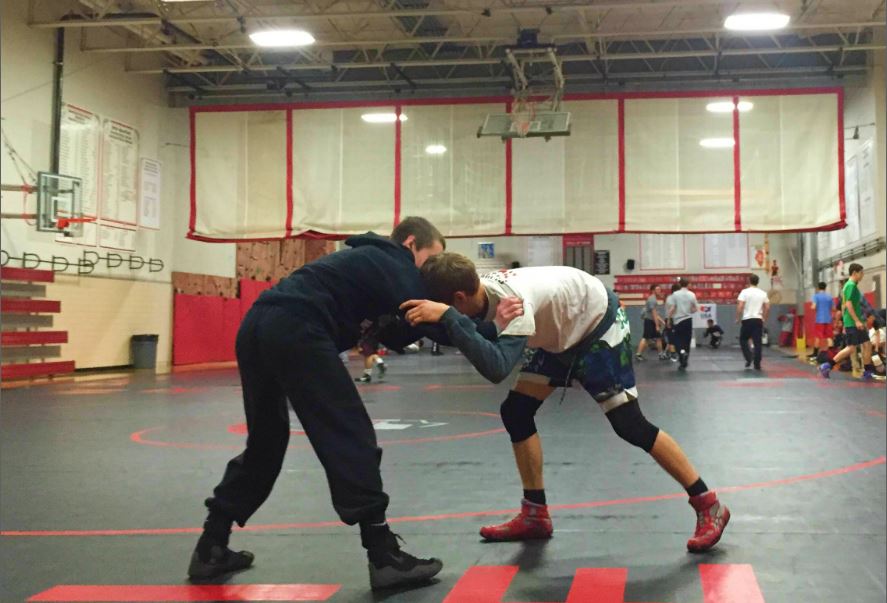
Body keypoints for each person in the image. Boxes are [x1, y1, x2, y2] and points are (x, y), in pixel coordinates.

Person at [188, 217, 503, 590]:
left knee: (265, 443)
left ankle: (211, 544)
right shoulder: (391, 261)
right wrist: (487, 327)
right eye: (431, 259)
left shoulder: (368, 267)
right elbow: (432, 319)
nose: (432, 273)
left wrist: (448, 322)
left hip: (258, 326)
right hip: (297, 327)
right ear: (411, 244)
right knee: (349, 435)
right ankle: (383, 555)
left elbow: (402, 331)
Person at [401, 255, 730, 553]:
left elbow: (496, 368)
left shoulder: (513, 304)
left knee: (629, 424)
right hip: (561, 330)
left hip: (597, 325)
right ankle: (535, 514)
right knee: (516, 411)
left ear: (458, 298)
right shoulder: (478, 292)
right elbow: (478, 329)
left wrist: (449, 318)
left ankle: (708, 504)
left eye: (449, 308)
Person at [820, 264, 878, 381]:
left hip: (851, 322)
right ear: (855, 273)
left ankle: (867, 371)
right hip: (853, 322)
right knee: (851, 348)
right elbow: (848, 304)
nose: (862, 275)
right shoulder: (850, 286)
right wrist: (855, 321)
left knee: (867, 344)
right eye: (861, 273)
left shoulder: (849, 286)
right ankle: (827, 365)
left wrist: (845, 322)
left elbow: (843, 305)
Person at [736, 274, 770, 371]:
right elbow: (767, 307)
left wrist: (738, 317)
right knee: (757, 342)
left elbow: (740, 305)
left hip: (747, 320)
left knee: (743, 339)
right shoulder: (763, 293)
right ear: (758, 282)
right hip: (757, 320)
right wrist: (764, 318)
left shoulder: (744, 292)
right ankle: (757, 364)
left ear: (749, 281)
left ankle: (748, 357)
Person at [669, 278, 698, 371]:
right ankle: (684, 362)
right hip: (688, 320)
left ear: (680, 284)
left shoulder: (675, 294)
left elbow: (673, 308)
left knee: (677, 339)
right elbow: (695, 308)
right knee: (687, 341)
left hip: (678, 320)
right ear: (688, 284)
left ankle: (681, 353)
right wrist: (689, 310)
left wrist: (669, 318)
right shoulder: (692, 294)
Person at [635, 284, 666, 361]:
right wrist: (657, 325)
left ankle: (661, 354)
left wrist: (662, 321)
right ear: (653, 291)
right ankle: (638, 354)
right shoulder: (652, 299)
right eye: (657, 289)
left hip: (652, 321)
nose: (659, 291)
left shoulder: (654, 299)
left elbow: (655, 313)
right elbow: (654, 313)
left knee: (658, 338)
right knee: (645, 338)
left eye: (660, 289)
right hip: (649, 321)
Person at [808, 282, 834, 363]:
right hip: (828, 319)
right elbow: (833, 308)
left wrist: (812, 307)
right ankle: (830, 354)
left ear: (818, 288)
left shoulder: (816, 296)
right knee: (828, 337)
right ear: (825, 288)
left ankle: (815, 354)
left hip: (819, 319)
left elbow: (814, 306)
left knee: (818, 337)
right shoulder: (829, 297)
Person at [663, 283, 680, 362]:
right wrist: (669, 320)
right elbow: (672, 309)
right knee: (672, 338)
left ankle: (667, 352)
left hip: (671, 319)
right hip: (672, 319)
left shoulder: (669, 297)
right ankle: (673, 354)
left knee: (672, 337)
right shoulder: (674, 298)